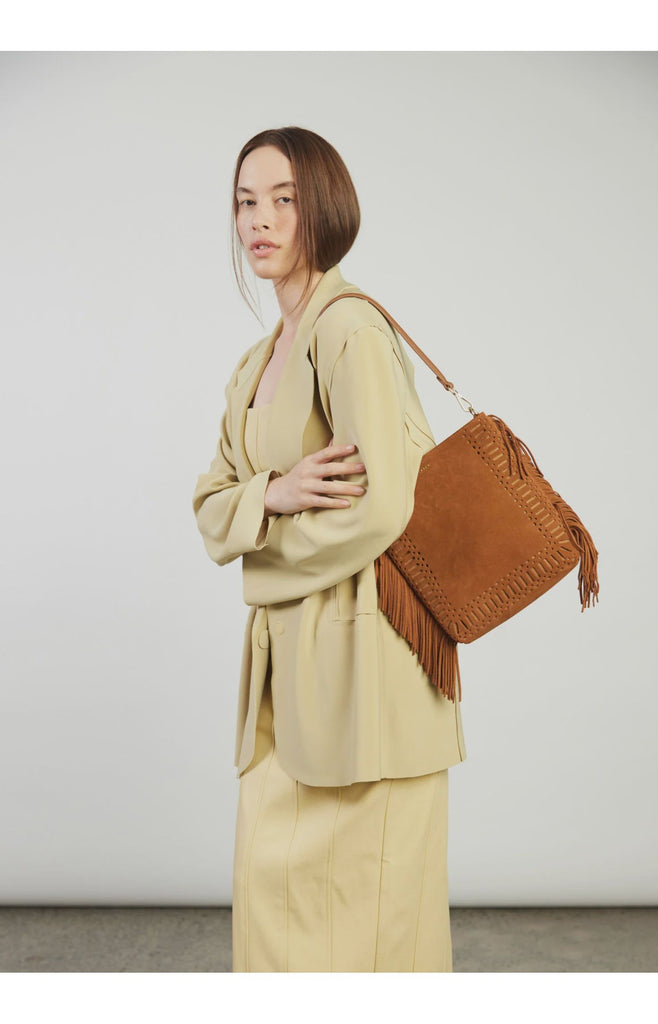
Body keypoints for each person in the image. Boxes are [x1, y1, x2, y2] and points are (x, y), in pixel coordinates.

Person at [192, 126, 466, 972]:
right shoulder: (254, 361)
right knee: (279, 916)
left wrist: (260, 553)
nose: (260, 220)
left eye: (283, 200)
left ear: (324, 210)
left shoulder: (347, 329)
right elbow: (209, 506)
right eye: (246, 202)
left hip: (366, 671)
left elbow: (384, 502)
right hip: (287, 676)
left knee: (375, 918)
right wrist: (267, 496)